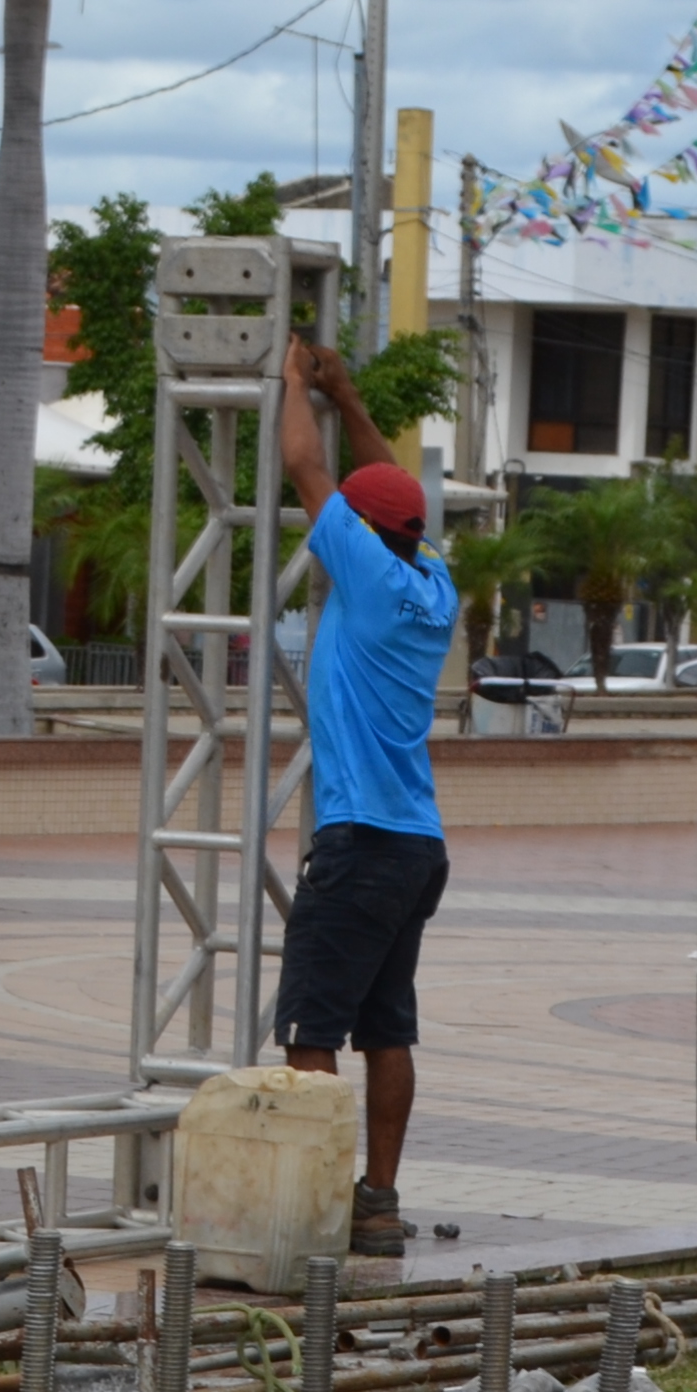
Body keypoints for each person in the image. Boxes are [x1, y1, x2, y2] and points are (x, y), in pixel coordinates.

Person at [270, 334, 459, 1257]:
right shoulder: (432, 581)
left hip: (359, 839)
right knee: (387, 1028)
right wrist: (348, 396)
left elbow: (303, 464)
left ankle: (311, 1208)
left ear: (358, 532)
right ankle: (377, 1198)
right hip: (418, 846)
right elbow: (389, 483)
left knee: (312, 1029)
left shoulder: (370, 576)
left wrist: (295, 382)